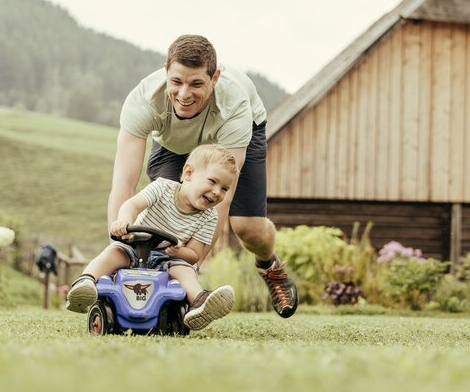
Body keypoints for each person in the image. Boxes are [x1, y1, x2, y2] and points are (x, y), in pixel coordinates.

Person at [109, 34, 298, 318]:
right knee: (169, 213)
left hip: (232, 137)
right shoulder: (143, 101)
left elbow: (220, 199)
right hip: (174, 143)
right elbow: (124, 184)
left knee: (247, 228)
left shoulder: (234, 105)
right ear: (166, 73)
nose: (184, 94)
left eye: (196, 83)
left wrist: (193, 264)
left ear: (214, 78)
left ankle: (269, 264)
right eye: (177, 82)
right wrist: (117, 253)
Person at [67, 144, 237, 331]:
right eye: (212, 181)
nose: (216, 192)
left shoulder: (210, 216)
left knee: (185, 270)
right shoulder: (162, 187)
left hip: (168, 259)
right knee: (113, 253)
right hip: (134, 249)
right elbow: (131, 205)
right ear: (188, 173)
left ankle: (199, 302)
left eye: (224, 189)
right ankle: (85, 281)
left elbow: (195, 255)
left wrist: (180, 251)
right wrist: (124, 221)